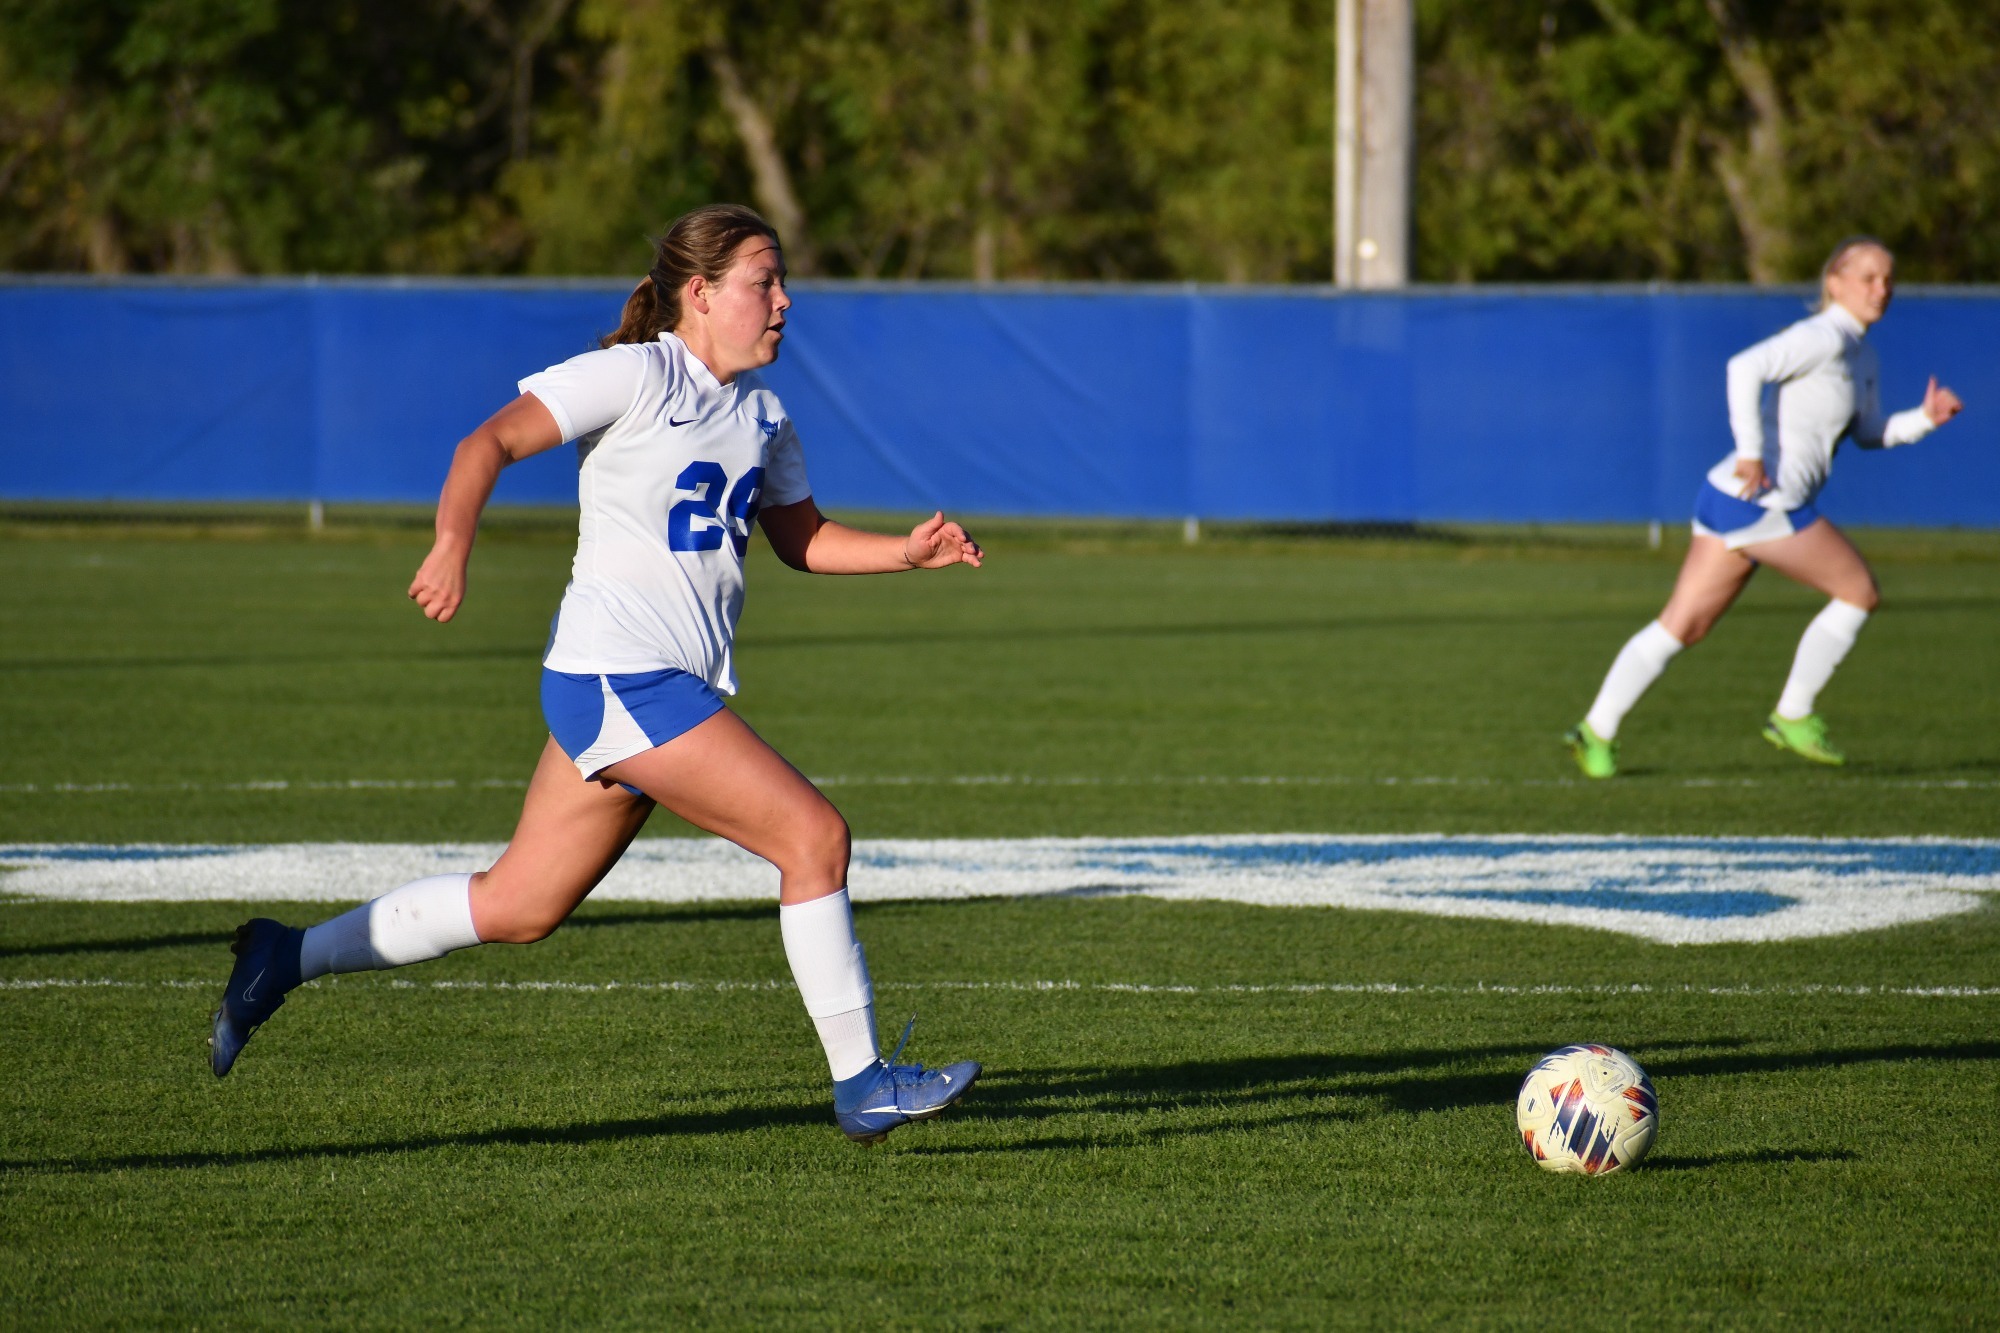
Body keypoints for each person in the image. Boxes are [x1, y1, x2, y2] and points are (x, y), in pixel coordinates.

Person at [209, 204, 985, 1145]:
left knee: (517, 906)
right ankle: (862, 1083)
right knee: (813, 837)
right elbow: (483, 444)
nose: (783, 302)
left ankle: (282, 958)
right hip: (622, 675)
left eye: (783, 283)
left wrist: (907, 550)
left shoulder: (766, 416)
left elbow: (802, 539)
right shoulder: (635, 373)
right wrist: (452, 545)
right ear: (698, 294)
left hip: (646, 688)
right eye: (762, 283)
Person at [1565, 236, 1964, 778]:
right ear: (1834, 283)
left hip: (1732, 499)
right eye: (1868, 277)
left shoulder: (1860, 354)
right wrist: (1752, 452)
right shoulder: (1820, 337)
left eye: (1888, 278)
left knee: (1683, 626)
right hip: (1762, 500)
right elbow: (1742, 367)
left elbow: (1868, 432)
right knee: (1858, 591)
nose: (1881, 288)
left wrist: (1923, 419)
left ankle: (1595, 729)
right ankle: (1792, 714)